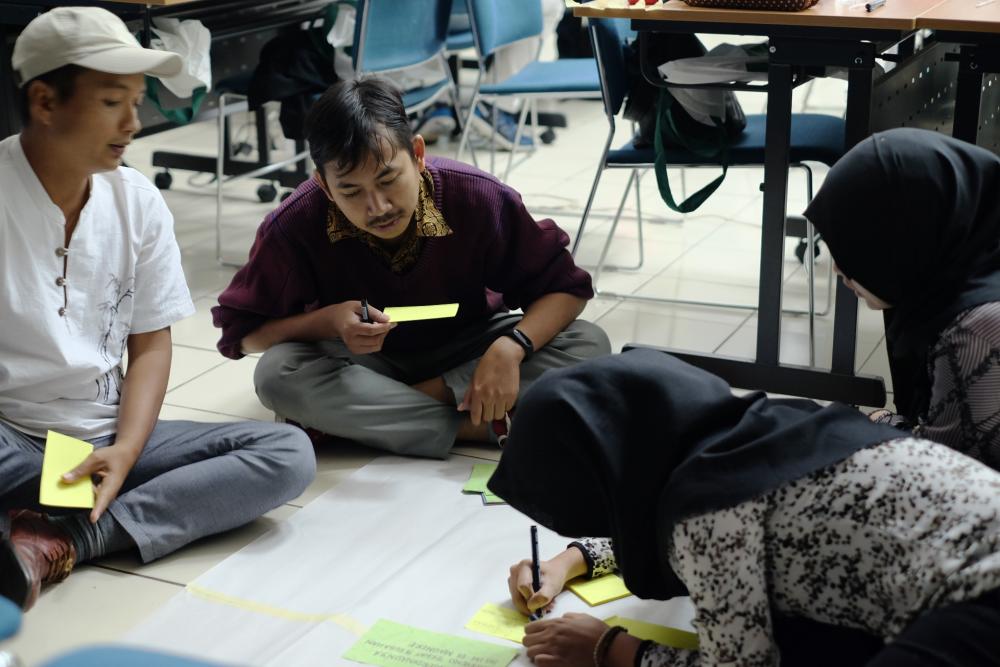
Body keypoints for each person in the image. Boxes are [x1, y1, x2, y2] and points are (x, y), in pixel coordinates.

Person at [0, 7, 316, 610]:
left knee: (287, 454)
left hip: (104, 439)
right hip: (11, 442)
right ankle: (45, 510)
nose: (134, 122)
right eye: (112, 101)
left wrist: (124, 450)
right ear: (45, 102)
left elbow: (150, 343)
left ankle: (70, 533)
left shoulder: (137, 201)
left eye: (137, 101)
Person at [491, 349, 1000, 666]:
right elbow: (743, 529)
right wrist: (571, 560)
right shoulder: (764, 434)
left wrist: (609, 649)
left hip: (978, 610)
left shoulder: (705, 511)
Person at [213, 77, 609, 459]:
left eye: (388, 179)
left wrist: (511, 349)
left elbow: (567, 290)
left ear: (418, 155)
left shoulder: (476, 196)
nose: (378, 207)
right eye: (350, 191)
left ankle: (363, 418)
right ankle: (478, 425)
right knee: (277, 373)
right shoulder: (294, 225)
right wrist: (328, 322)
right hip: (365, 362)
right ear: (324, 185)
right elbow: (244, 337)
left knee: (588, 344)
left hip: (466, 345)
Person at [805, 128, 1000, 469]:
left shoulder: (975, 330)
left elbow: (942, 473)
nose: (838, 268)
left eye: (856, 249)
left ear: (899, 244)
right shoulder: (970, 258)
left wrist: (881, 422)